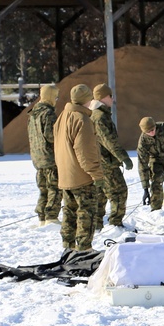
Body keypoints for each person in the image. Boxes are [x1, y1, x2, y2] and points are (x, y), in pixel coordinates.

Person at [53, 84, 104, 252]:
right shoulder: (82, 119)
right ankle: (84, 250)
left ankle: (68, 247)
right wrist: (96, 175)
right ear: (87, 100)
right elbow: (85, 152)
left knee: (69, 212)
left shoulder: (63, 116)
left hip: (65, 175)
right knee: (86, 213)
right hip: (82, 176)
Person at [90, 83, 133, 228]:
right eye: (111, 96)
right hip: (106, 163)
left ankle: (97, 225)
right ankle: (115, 224)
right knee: (119, 192)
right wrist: (123, 157)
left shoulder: (98, 114)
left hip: (99, 162)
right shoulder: (100, 116)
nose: (113, 99)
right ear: (103, 97)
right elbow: (109, 141)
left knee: (101, 195)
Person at [27, 83, 61, 226]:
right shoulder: (48, 113)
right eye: (56, 97)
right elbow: (51, 135)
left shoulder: (32, 113)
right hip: (50, 157)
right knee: (54, 188)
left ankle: (42, 217)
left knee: (43, 190)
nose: (56, 100)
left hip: (37, 157)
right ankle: (51, 218)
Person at [137, 116, 164, 210]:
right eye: (148, 132)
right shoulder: (143, 141)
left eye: (153, 129)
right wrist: (145, 188)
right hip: (155, 160)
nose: (151, 132)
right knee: (156, 181)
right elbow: (142, 164)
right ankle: (156, 209)